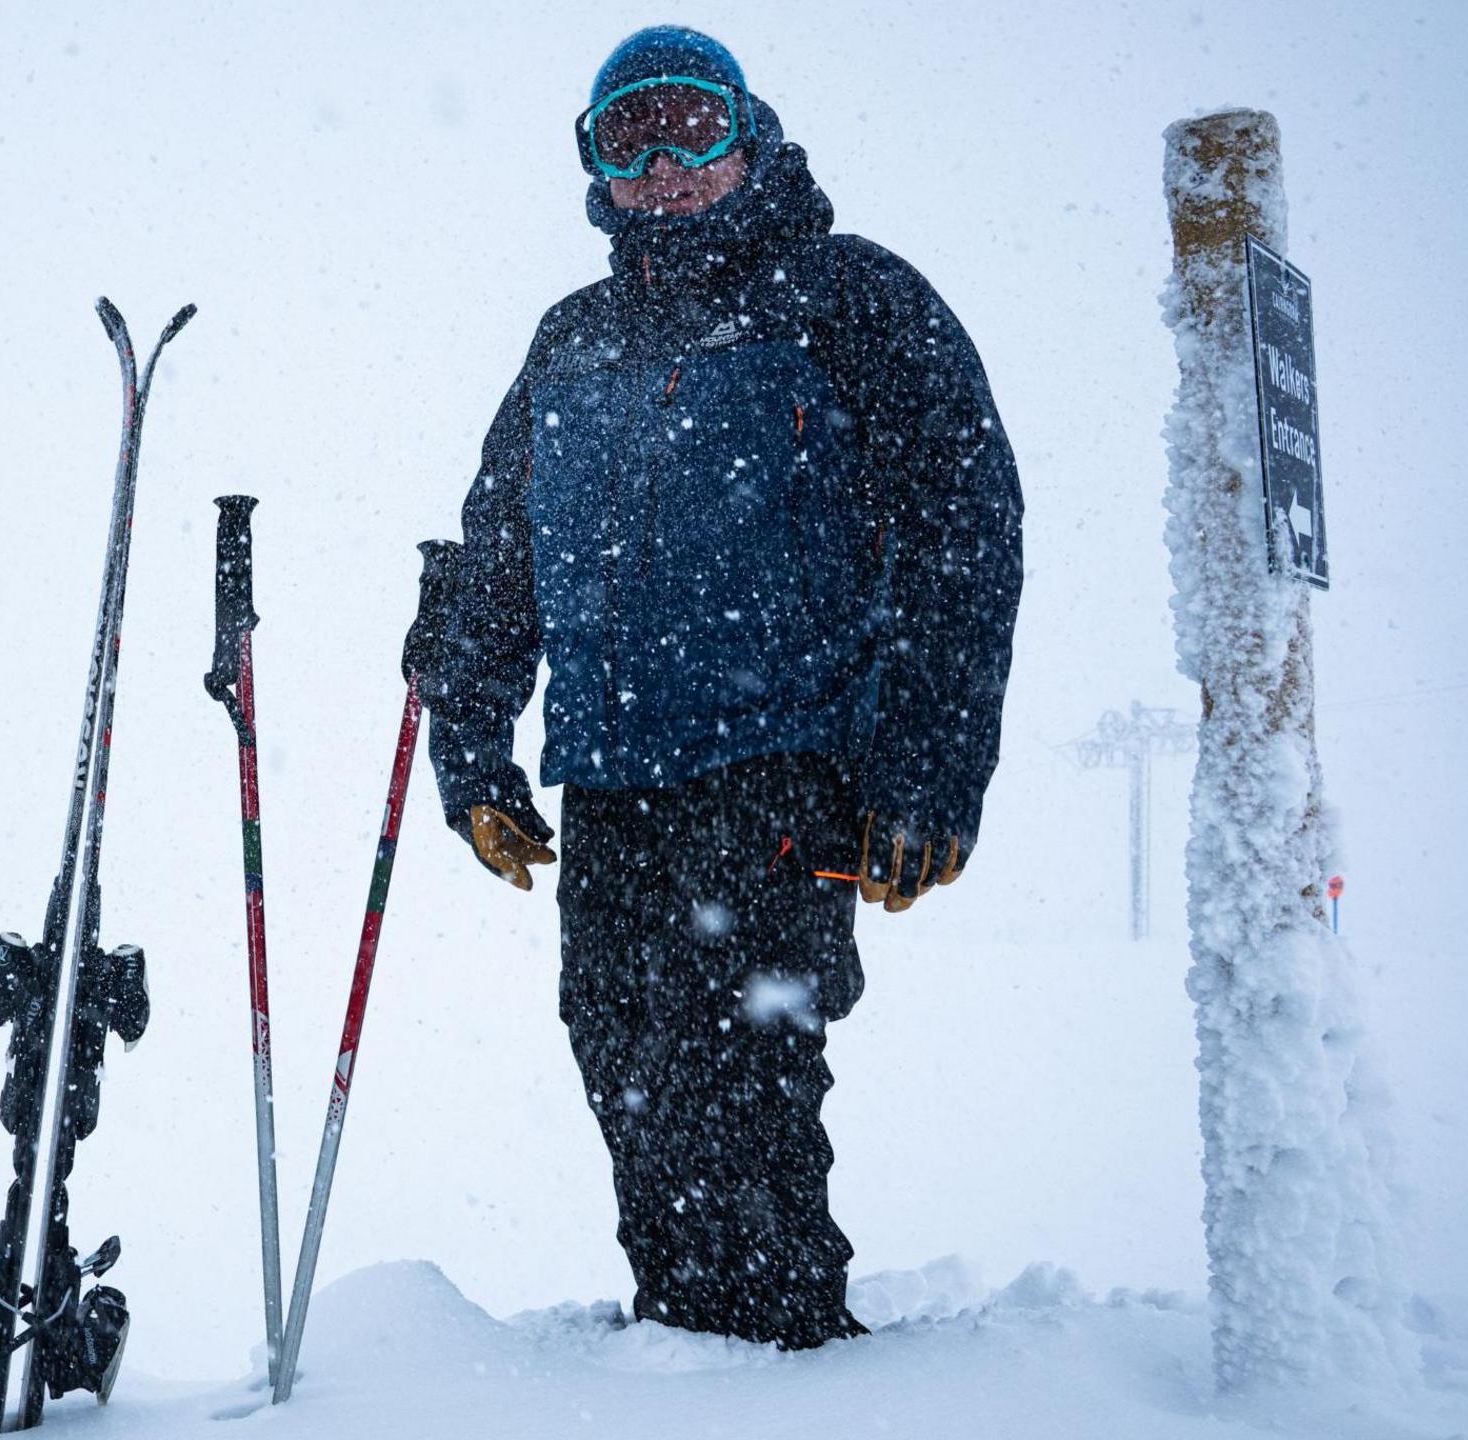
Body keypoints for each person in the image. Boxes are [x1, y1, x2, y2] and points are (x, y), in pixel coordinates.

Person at [427, 25, 1023, 1350]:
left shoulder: (847, 296)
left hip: (786, 770)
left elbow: (963, 530)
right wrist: (471, 759)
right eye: (628, 137)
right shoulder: (571, 343)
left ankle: (776, 1373)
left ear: (749, 133)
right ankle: (690, 1360)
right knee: (626, 1072)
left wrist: (929, 768)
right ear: (596, 166)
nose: (664, 164)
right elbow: (495, 563)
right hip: (612, 787)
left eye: (691, 127)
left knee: (730, 1088)